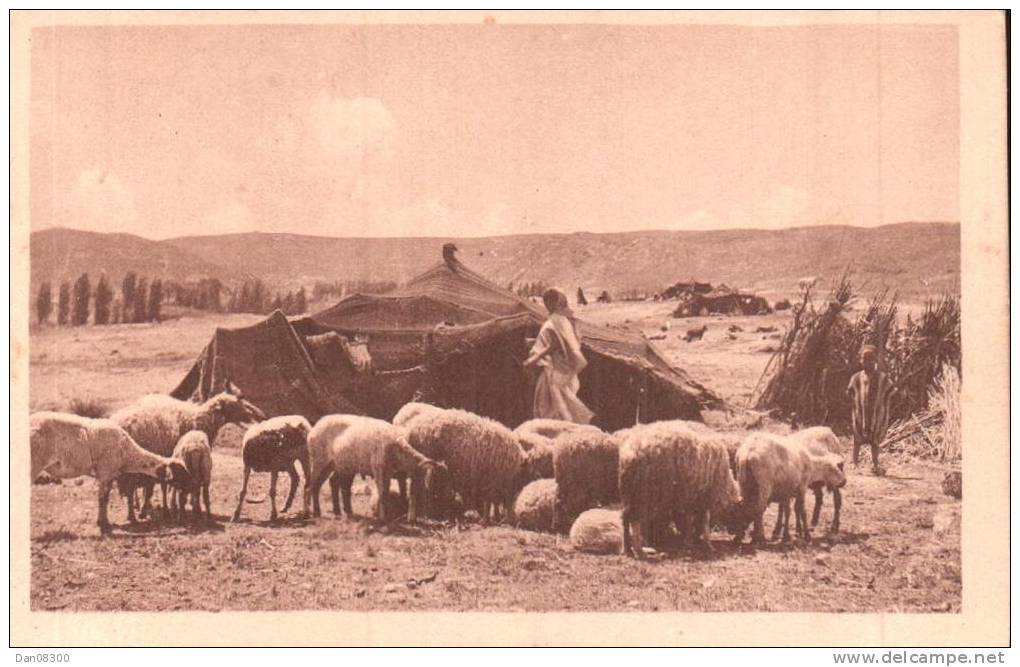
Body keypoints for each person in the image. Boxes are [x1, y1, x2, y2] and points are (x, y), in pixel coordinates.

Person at [523, 288, 595, 425]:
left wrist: (534, 356)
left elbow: (550, 346)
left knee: (549, 411)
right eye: (545, 301)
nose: (546, 305)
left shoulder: (553, 323)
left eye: (548, 301)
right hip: (564, 372)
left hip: (552, 374)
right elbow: (563, 345)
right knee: (559, 410)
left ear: (554, 302)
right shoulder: (565, 321)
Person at [847, 344, 895, 475]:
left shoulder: (882, 378)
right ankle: (855, 464)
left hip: (876, 414)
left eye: (870, 359)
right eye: (864, 358)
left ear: (876, 360)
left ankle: (875, 464)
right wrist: (855, 405)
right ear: (860, 360)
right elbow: (850, 392)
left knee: (875, 441)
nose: (867, 361)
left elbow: (891, 391)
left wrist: (883, 406)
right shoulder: (856, 377)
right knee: (857, 440)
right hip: (860, 414)